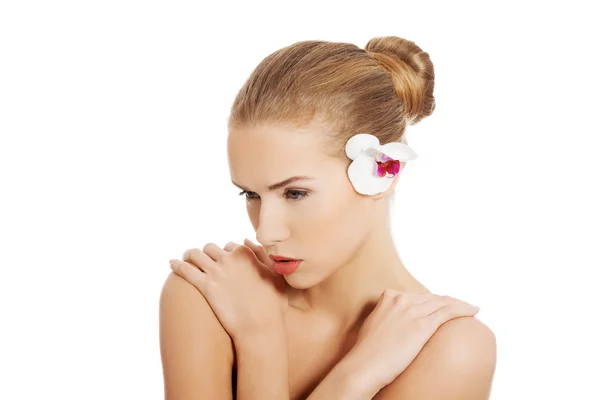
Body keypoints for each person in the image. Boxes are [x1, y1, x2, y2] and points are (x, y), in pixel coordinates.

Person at [159, 36, 497, 399]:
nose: (265, 230)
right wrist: (349, 375)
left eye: (295, 193)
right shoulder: (210, 293)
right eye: (251, 194)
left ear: (382, 172)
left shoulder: (450, 348)